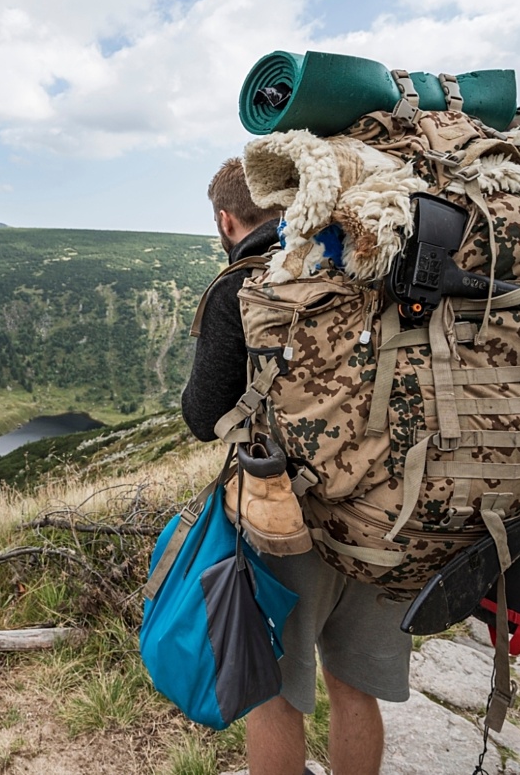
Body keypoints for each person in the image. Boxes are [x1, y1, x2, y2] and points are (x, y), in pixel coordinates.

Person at [181, 156, 412, 775]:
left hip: (287, 519)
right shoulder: (377, 264)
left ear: (228, 220)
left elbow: (204, 417)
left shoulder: (246, 284)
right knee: (354, 686)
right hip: (388, 507)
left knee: (276, 695)